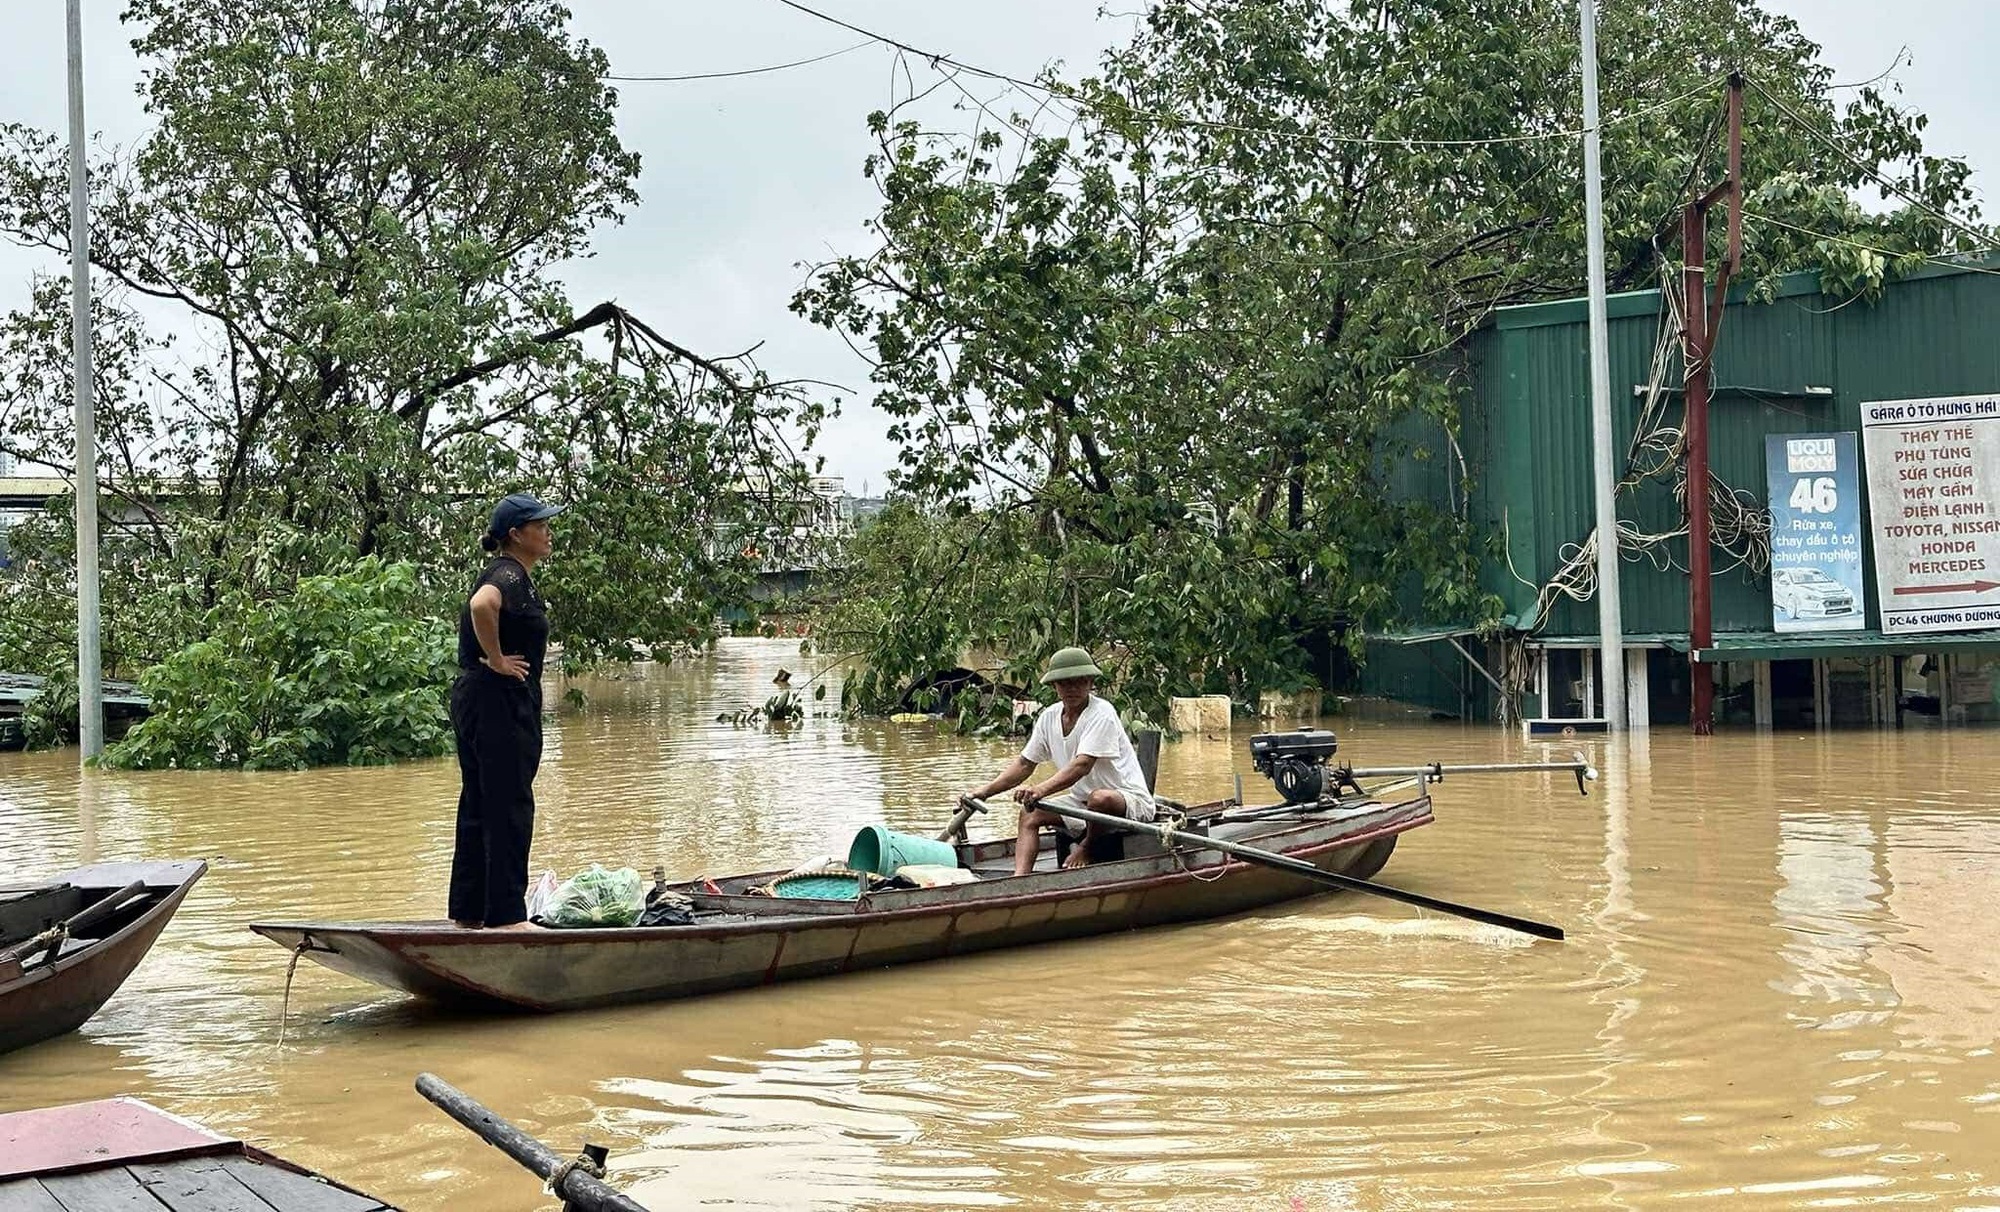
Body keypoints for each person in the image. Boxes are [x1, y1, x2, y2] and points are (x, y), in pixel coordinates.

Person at [449, 492, 564, 929]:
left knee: (478, 801)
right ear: (516, 535)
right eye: (540, 525)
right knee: (510, 805)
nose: (547, 532)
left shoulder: (506, 572)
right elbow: (483, 605)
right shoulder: (509, 574)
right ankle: (507, 919)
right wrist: (497, 657)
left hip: (476, 697)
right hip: (499, 699)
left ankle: (469, 913)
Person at [964, 647, 1155, 876]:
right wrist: (984, 792)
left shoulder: (1102, 713)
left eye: (1079, 682)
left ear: (1090, 683)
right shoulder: (1049, 717)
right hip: (1082, 801)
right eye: (1065, 683)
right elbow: (1025, 764)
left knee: (1099, 798)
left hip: (1127, 800)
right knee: (1030, 814)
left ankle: (1086, 848)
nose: (1072, 689)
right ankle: (1019, 879)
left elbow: (1082, 765)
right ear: (1055, 686)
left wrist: (1040, 790)